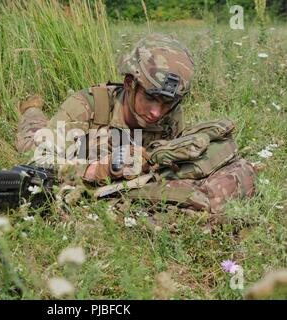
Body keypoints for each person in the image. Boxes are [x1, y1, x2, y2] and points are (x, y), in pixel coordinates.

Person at [15, 33, 256, 214]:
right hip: (62, 143)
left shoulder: (171, 114)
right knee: (32, 137)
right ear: (130, 83)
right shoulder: (87, 106)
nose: (156, 112)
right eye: (150, 97)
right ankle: (31, 109)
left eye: (167, 103)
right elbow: (39, 161)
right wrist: (98, 169)